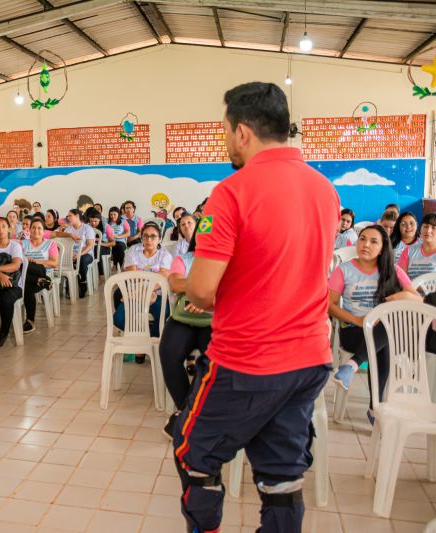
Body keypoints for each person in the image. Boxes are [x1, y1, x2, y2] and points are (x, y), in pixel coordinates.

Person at [178, 82, 339, 533]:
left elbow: (201, 293)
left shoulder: (231, 192)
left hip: (248, 361)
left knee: (193, 455)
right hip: (309, 359)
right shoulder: (325, 190)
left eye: (226, 131)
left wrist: (184, 282)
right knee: (282, 474)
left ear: (243, 132)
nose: (226, 140)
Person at [329, 226, 421, 423]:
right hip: (354, 330)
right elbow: (330, 306)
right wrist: (357, 320)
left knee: (385, 330)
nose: (366, 244)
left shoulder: (392, 270)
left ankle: (351, 366)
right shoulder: (344, 270)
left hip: (380, 330)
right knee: (384, 337)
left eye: (373, 241)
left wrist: (394, 298)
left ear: (382, 247)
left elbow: (417, 299)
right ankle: (374, 408)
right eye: (362, 239)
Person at [160, 236, 211, 438]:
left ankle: (186, 415)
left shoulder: (228, 260)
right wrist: (200, 291)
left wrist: (203, 297)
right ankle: (187, 411)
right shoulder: (184, 259)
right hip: (183, 318)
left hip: (214, 321)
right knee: (168, 352)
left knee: (212, 360)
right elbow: (174, 283)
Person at [113, 222, 172, 363]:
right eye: (146, 236)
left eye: (153, 236)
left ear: (159, 238)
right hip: (135, 294)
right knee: (119, 319)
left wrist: (149, 290)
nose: (149, 240)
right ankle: (145, 343)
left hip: (156, 295)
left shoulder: (165, 255)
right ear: (141, 237)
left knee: (163, 317)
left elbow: (163, 276)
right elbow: (132, 275)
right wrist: (143, 293)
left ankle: (145, 348)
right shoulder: (133, 250)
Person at [0, 218, 24, 347]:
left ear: (9, 228)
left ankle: (4, 332)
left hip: (13, 285)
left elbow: (15, 265)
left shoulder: (15, 246)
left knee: (6, 300)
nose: (0, 230)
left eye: (3, 226)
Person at [21, 219, 57, 333]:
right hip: (29, 279)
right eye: (33, 228)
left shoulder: (50, 243)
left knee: (28, 266)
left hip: (44, 272)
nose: (36, 230)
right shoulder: (23, 243)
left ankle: (30, 321)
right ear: (29, 230)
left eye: (39, 228)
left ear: (44, 230)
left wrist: (34, 262)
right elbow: (18, 261)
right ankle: (30, 321)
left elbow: (54, 263)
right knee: (27, 286)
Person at [397, 212, 436, 279]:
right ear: (420, 228)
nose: (428, 231)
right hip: (410, 289)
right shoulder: (408, 250)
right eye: (425, 226)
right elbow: (400, 278)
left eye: (433, 227)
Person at [58, 209, 95, 299]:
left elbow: (90, 245)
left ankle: (83, 283)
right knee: (63, 260)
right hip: (71, 253)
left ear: (77, 216)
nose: (68, 218)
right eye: (67, 216)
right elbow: (64, 244)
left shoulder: (87, 228)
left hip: (86, 253)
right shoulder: (68, 229)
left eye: (70, 216)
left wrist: (79, 254)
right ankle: (69, 284)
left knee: (82, 260)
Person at [86, 207, 114, 275]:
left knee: (97, 249)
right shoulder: (87, 226)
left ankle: (101, 273)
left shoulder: (106, 226)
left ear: (100, 219)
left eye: (95, 221)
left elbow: (113, 243)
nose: (93, 223)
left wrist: (100, 243)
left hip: (104, 246)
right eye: (91, 221)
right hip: (91, 245)